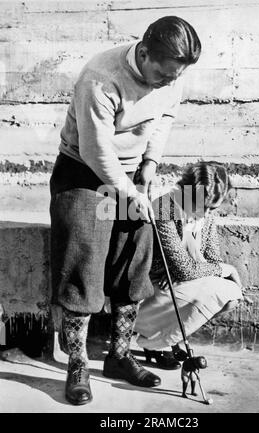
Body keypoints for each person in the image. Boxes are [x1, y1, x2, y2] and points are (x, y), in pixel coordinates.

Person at [49, 16, 202, 405]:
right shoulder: (100, 79)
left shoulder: (172, 72)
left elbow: (165, 116)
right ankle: (78, 363)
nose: (169, 83)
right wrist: (128, 194)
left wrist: (150, 164)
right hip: (84, 173)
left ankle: (119, 356)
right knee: (83, 263)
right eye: (163, 75)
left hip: (133, 173)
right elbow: (95, 151)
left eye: (175, 77)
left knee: (133, 260)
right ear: (144, 52)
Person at [134, 162, 244, 367]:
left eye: (213, 208)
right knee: (220, 286)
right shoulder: (164, 207)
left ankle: (166, 338)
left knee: (230, 294)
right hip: (150, 286)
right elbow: (187, 269)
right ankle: (156, 340)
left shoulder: (206, 218)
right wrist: (227, 269)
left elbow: (211, 260)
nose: (207, 213)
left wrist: (194, 272)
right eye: (204, 206)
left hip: (177, 282)